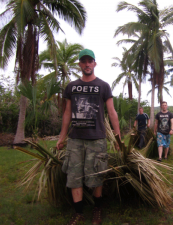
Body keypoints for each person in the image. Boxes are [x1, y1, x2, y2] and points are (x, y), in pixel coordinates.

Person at [57, 49, 120, 225]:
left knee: (97, 174)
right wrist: (62, 137)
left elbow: (112, 112)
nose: (86, 64)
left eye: (89, 61)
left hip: (97, 138)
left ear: (94, 63)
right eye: (83, 61)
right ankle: (78, 213)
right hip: (75, 138)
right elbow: (67, 113)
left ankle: (97, 210)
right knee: (74, 175)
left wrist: (117, 137)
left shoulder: (103, 86)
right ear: (79, 64)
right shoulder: (71, 87)